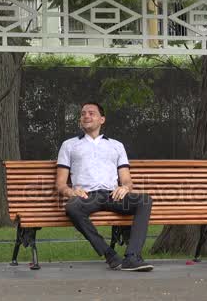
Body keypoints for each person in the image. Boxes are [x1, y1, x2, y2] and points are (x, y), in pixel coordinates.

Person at [55, 102, 154, 271]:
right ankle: (109, 254)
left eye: (91, 113)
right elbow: (60, 184)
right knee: (72, 207)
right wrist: (71, 192)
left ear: (102, 119)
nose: (86, 116)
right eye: (83, 113)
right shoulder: (69, 145)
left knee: (144, 201)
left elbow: (127, 180)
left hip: (112, 195)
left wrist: (125, 188)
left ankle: (132, 257)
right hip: (87, 196)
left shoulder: (116, 145)